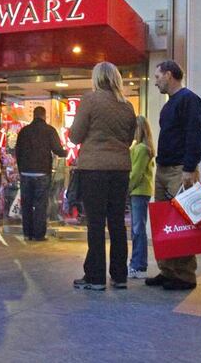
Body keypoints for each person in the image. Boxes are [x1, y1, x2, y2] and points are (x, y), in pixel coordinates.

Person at [70, 62, 136, 291]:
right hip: (120, 169)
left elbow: (75, 136)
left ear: (97, 78)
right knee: (117, 222)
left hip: (94, 169)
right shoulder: (127, 106)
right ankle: (119, 276)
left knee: (96, 223)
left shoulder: (89, 100)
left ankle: (96, 277)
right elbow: (129, 138)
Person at [145, 60, 201, 291]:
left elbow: (195, 134)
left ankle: (184, 275)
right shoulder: (170, 104)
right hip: (164, 169)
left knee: (181, 223)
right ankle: (168, 270)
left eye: (158, 76)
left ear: (169, 75)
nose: (155, 80)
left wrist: (189, 167)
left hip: (180, 170)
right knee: (164, 223)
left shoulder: (189, 100)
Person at [15, 107, 67, 241]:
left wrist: (21, 170)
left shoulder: (24, 131)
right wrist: (65, 153)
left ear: (34, 115)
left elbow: (18, 152)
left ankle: (27, 233)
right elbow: (57, 150)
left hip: (26, 172)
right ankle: (38, 234)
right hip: (42, 172)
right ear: (44, 116)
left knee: (26, 203)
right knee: (40, 204)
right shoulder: (49, 130)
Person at [128, 115, 155, 280]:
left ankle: (138, 264)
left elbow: (135, 173)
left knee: (137, 230)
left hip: (138, 192)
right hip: (143, 191)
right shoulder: (146, 148)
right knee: (138, 228)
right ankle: (137, 263)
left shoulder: (140, 149)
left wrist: (126, 189)